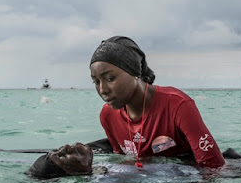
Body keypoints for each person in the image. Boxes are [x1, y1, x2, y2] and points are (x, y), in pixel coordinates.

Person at [90, 36, 225, 168]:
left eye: (110, 78)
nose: (102, 90)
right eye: (96, 82)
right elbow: (121, 162)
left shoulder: (178, 105)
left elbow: (213, 167)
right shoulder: (108, 115)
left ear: (134, 71)